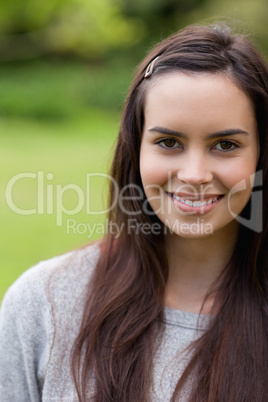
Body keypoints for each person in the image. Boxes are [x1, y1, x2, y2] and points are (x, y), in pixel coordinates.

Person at [0, 22, 268, 402]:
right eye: (169, 142)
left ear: (261, 154)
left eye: (225, 144)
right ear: (136, 148)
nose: (194, 175)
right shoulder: (42, 304)